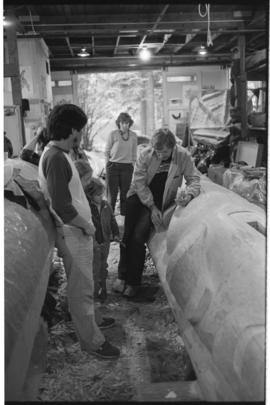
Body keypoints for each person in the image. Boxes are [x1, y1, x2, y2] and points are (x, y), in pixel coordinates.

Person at [38, 104, 120, 359]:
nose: (81, 135)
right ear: (72, 130)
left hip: (76, 231)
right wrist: (87, 225)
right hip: (73, 232)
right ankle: (92, 342)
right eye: (80, 130)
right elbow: (62, 205)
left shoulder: (60, 155)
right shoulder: (54, 158)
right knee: (81, 289)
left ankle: (92, 320)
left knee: (86, 284)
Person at [114, 128, 201, 299]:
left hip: (160, 200)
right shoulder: (146, 154)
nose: (160, 155)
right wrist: (152, 207)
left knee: (139, 237)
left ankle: (133, 283)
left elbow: (194, 179)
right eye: (157, 151)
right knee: (127, 236)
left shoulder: (183, 156)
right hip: (139, 196)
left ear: (173, 148)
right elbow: (139, 183)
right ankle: (122, 276)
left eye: (165, 152)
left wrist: (189, 194)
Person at [75, 162, 120, 302]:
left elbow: (112, 220)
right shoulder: (87, 207)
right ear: (89, 195)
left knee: (103, 266)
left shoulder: (106, 205)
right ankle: (93, 294)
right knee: (94, 268)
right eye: (98, 195)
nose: (101, 197)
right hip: (93, 242)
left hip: (105, 241)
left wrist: (116, 233)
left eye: (102, 194)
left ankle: (103, 289)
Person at [105, 112, 137, 215]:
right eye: (123, 123)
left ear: (130, 124)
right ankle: (110, 217)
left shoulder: (133, 135)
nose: (125, 125)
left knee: (125, 194)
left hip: (127, 167)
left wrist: (133, 165)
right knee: (112, 195)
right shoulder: (113, 134)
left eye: (127, 123)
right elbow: (107, 151)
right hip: (113, 166)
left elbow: (134, 153)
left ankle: (124, 216)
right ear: (119, 123)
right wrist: (107, 165)